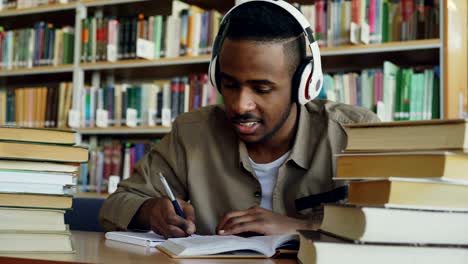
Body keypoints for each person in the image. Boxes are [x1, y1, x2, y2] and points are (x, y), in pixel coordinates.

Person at [99, 1, 379, 238]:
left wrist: (302, 227)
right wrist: (151, 212)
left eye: (261, 89)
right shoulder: (192, 133)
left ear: (303, 86)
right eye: (230, 85)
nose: (240, 104)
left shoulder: (355, 133)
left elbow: (404, 225)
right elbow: (115, 206)